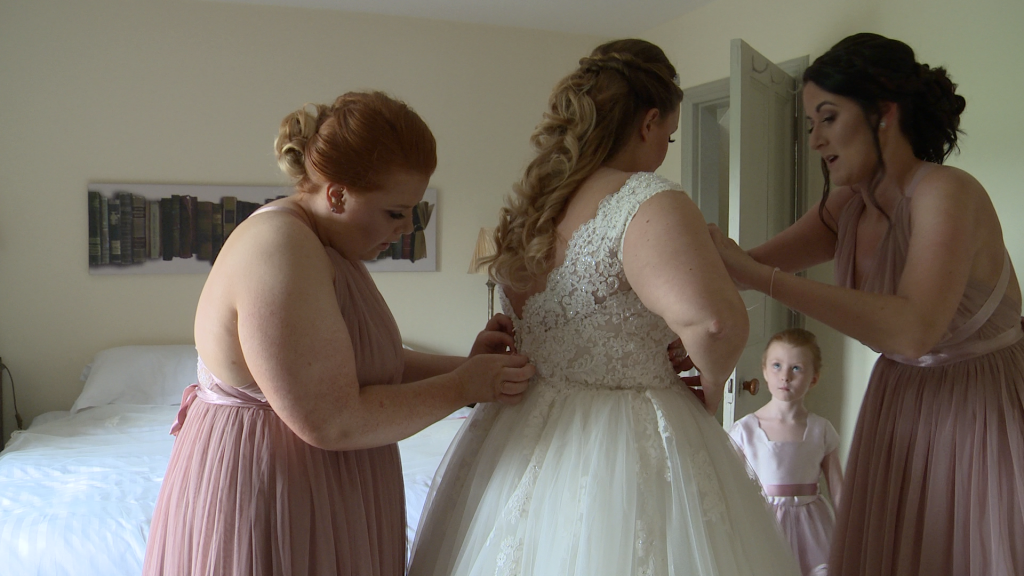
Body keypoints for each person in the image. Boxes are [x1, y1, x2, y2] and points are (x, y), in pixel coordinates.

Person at [407, 39, 800, 575]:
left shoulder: (537, 204)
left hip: (517, 428)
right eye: (670, 133)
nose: (666, 144)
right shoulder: (647, 200)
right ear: (649, 121)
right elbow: (717, 322)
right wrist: (710, 389)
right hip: (626, 435)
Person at [142, 91, 535, 576]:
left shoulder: (324, 244)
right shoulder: (279, 246)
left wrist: (470, 365)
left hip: (319, 486)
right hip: (272, 492)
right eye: (394, 212)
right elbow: (331, 420)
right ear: (338, 195)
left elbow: (351, 362)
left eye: (414, 212)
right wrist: (465, 386)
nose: (406, 228)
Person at [710, 33, 1024, 576]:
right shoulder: (848, 206)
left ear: (883, 113)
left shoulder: (945, 192)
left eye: (828, 118)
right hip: (899, 402)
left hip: (976, 407)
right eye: (810, 124)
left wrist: (762, 278)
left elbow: (912, 330)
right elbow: (744, 266)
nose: (815, 141)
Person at [728, 328, 842, 576]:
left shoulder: (821, 429)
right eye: (777, 366)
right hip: (765, 524)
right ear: (765, 371)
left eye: (797, 368)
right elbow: (731, 486)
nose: (785, 376)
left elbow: (838, 487)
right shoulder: (745, 430)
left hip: (812, 525)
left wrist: (849, 528)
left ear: (814, 378)